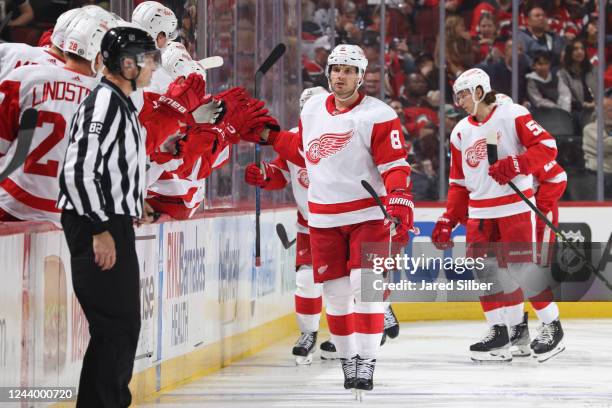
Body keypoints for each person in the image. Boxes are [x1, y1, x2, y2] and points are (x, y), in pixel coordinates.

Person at [241, 44, 414, 395]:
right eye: (336, 69)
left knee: (364, 288)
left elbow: (395, 164)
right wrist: (270, 137)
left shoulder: (378, 114)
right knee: (335, 296)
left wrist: (398, 199)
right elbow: (304, 154)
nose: (340, 76)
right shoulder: (313, 110)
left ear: (361, 76)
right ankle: (349, 359)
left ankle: (367, 360)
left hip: (367, 215)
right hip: (322, 218)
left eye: (348, 71)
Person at [56, 26, 165, 407]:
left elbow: (110, 169)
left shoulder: (120, 102)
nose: (153, 66)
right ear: (127, 63)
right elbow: (77, 171)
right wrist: (100, 229)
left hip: (110, 218)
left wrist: (136, 202)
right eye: (147, 59)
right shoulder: (104, 102)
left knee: (118, 327)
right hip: (95, 222)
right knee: (116, 326)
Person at [431, 68, 565, 363]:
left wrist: (518, 164)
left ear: (480, 91)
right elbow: (458, 184)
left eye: (463, 94)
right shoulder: (460, 132)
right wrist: (448, 218)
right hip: (479, 213)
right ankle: (499, 332)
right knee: (485, 273)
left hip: (513, 209)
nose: (459, 101)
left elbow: (548, 147)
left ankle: (552, 325)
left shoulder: (511, 115)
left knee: (521, 270)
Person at [0, 12, 115, 224]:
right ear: (98, 57)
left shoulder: (25, 75)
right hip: (68, 213)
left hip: (12, 199)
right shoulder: (109, 99)